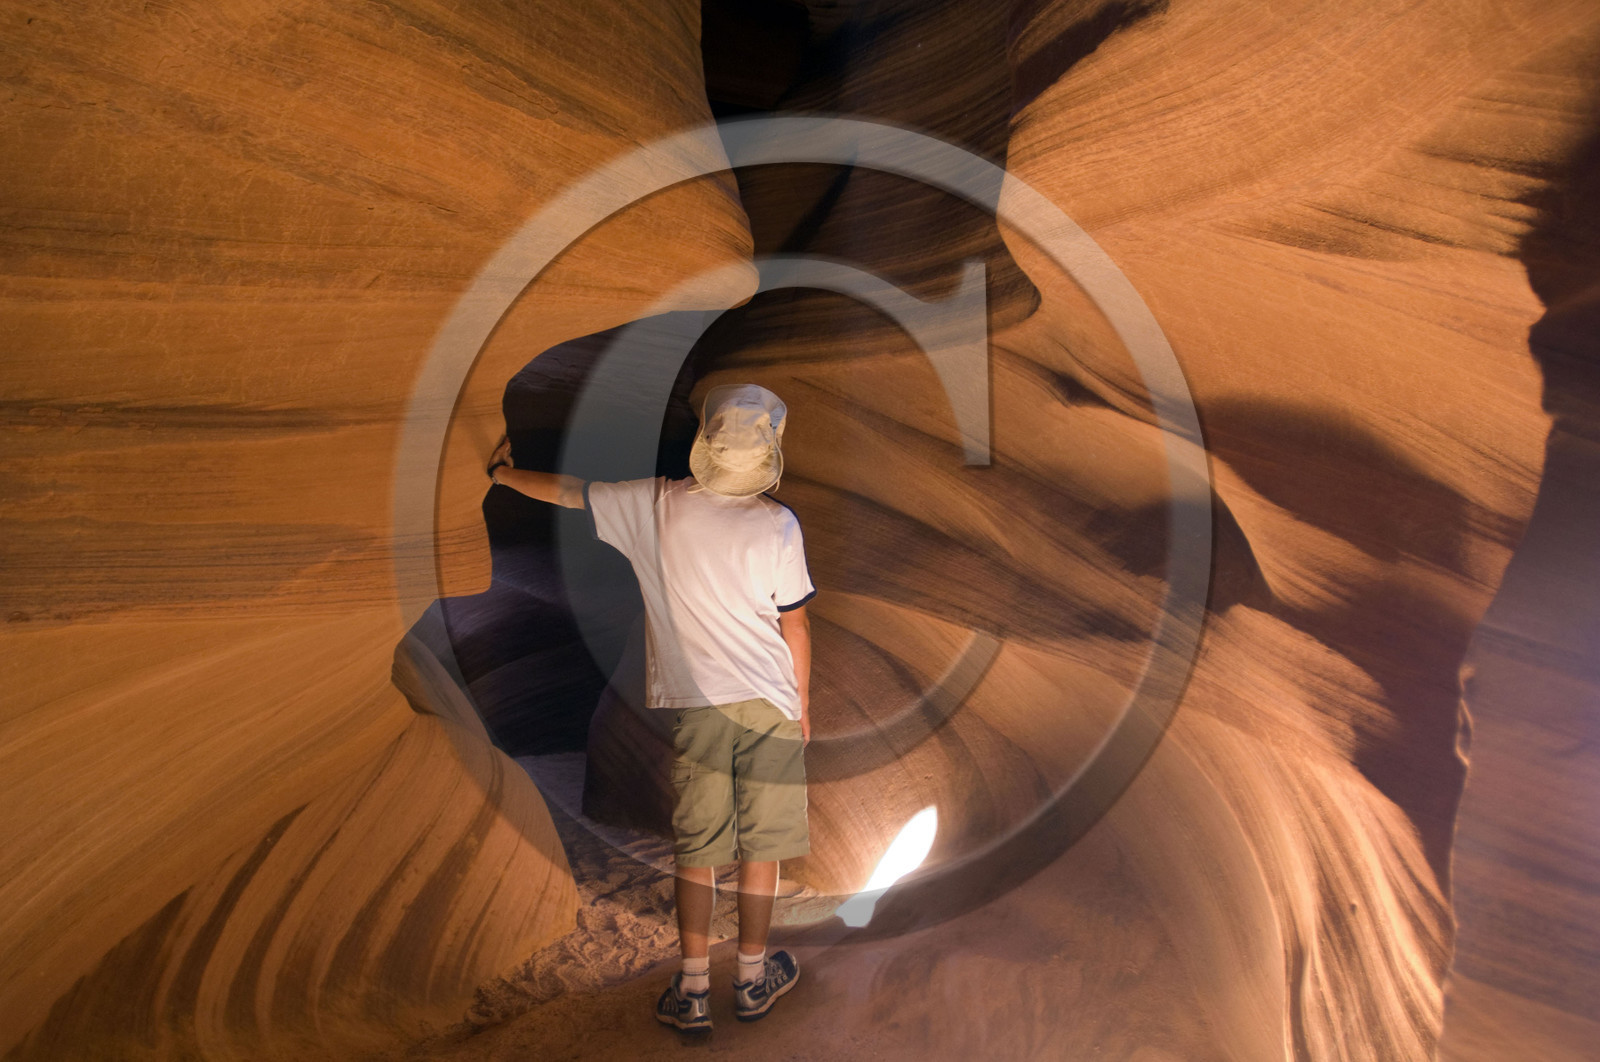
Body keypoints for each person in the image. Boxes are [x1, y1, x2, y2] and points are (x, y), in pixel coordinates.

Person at [487, 383, 814, 1031]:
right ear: (770, 452)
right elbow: (795, 627)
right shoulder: (778, 524)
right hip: (769, 705)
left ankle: (692, 991)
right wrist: (801, 709)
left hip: (696, 708)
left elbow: (569, 492)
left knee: (697, 849)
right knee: (763, 849)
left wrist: (501, 474)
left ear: (705, 445)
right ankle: (751, 979)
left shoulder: (656, 506)